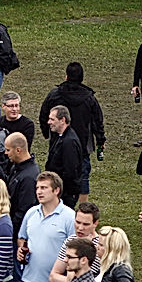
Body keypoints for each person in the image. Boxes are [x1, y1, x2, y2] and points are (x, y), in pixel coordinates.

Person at [39, 62, 105, 200]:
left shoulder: (55, 95)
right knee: (83, 177)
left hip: (57, 143)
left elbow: (43, 114)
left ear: (66, 76)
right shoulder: (89, 98)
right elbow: (97, 121)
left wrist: (46, 133)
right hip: (82, 145)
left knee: (54, 175)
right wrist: (100, 140)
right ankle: (83, 207)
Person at [44, 105, 84, 207]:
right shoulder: (60, 137)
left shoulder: (69, 142)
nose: (49, 122)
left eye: (52, 119)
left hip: (65, 194)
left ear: (62, 120)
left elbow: (70, 172)